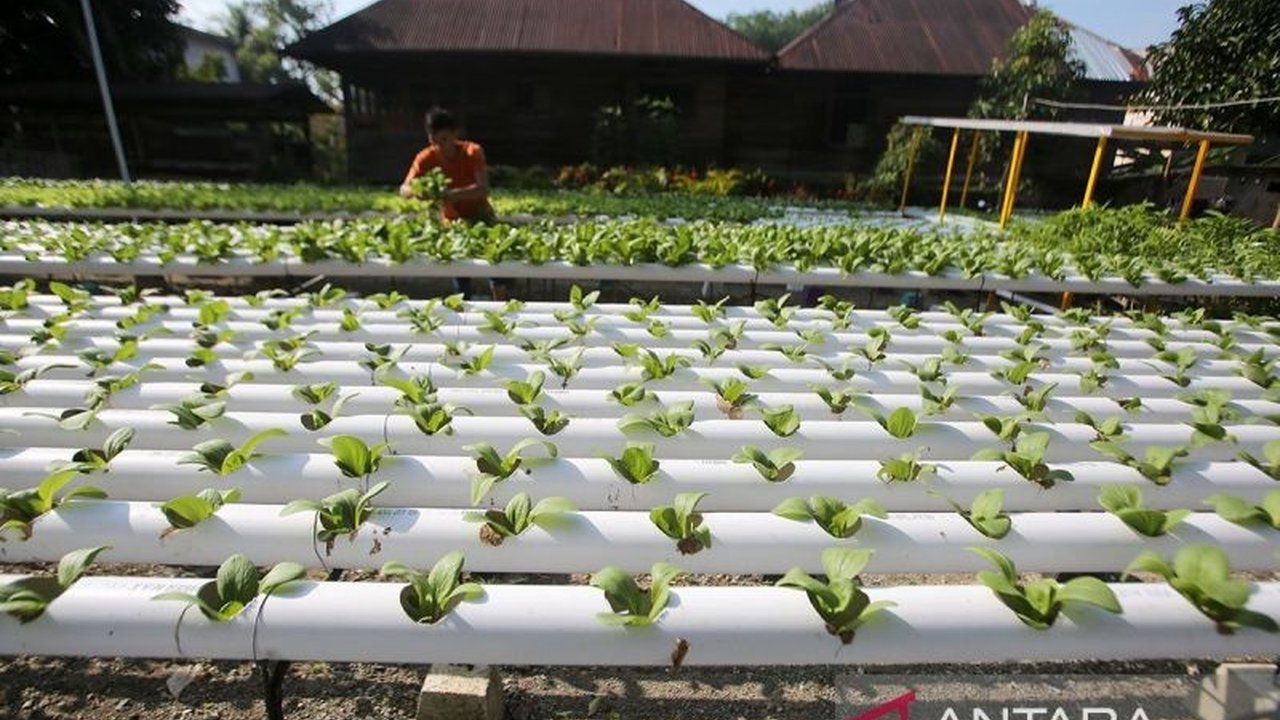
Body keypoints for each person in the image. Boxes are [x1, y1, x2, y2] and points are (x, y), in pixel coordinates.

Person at [400, 107, 507, 298]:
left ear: (455, 134)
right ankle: (464, 316)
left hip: (481, 216)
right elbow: (404, 189)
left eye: (444, 139)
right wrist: (420, 191)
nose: (439, 146)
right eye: (434, 140)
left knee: (495, 269)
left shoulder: (472, 151)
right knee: (460, 272)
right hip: (453, 222)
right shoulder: (425, 157)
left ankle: (502, 309)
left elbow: (483, 188)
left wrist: (450, 195)